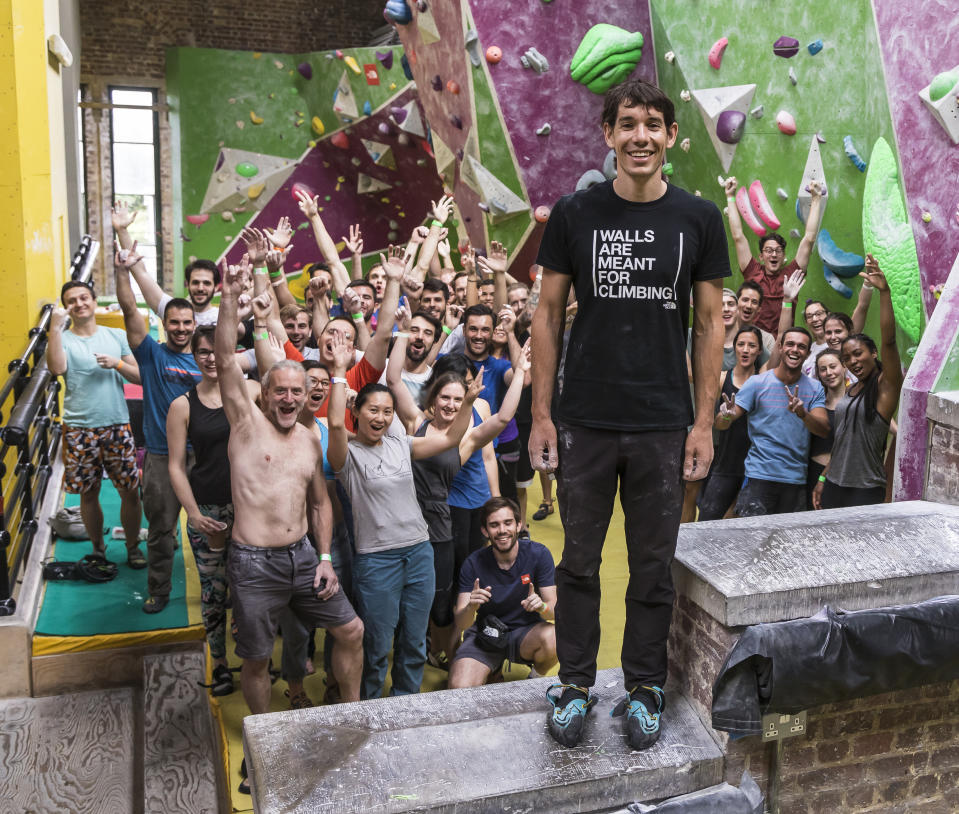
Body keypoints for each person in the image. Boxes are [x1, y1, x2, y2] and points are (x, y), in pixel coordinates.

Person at [530, 79, 728, 750]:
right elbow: (547, 315)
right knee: (578, 563)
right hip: (583, 418)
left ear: (670, 136)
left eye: (652, 124)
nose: (640, 136)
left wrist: (701, 422)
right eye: (627, 124)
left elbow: (707, 325)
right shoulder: (573, 214)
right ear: (608, 135)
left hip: (661, 423)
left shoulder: (697, 219)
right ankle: (575, 686)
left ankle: (643, 688)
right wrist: (541, 413)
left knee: (652, 567)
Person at [214, 259, 364, 730]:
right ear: (264, 394)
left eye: (296, 392)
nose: (288, 399)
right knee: (258, 660)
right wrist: (229, 300)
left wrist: (323, 557)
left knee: (352, 630)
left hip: (303, 558)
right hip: (254, 562)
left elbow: (320, 501)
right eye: (279, 391)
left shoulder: (309, 438)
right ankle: (266, 741)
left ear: (305, 396)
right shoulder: (245, 424)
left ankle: (351, 718)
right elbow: (223, 360)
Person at [326, 329, 482, 699]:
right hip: (377, 561)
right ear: (356, 412)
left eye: (386, 411)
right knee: (378, 645)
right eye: (372, 410)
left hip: (418, 552)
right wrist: (338, 372)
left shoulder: (400, 443)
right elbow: (333, 423)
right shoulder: (346, 456)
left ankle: (405, 707)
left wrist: (468, 402)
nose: (380, 417)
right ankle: (371, 709)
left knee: (413, 643)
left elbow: (447, 439)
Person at [389, 334, 531, 667]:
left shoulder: (463, 440)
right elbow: (394, 379)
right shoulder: (415, 421)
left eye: (458, 399)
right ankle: (411, 648)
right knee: (405, 593)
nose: (451, 405)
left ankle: (444, 651)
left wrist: (521, 373)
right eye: (445, 398)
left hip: (438, 524)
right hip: (404, 521)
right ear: (433, 398)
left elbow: (503, 419)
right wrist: (405, 331)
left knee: (441, 595)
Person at [166, 325, 258, 695]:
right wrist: (193, 513)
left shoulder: (249, 392)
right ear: (194, 356)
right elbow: (175, 465)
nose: (209, 358)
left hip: (248, 506)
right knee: (213, 592)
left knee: (250, 589)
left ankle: (254, 660)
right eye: (201, 352)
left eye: (215, 351)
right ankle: (219, 663)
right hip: (208, 507)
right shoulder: (182, 405)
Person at [115, 243, 202, 613]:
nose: (181, 329)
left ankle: (220, 592)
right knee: (162, 530)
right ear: (164, 324)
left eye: (186, 323)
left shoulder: (207, 361)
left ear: (194, 325)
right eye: (174, 323)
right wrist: (123, 270)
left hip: (204, 458)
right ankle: (160, 589)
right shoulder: (151, 355)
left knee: (211, 527)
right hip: (161, 457)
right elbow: (130, 309)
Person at [46, 278, 144, 567]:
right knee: (89, 494)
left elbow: (138, 376)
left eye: (84, 297)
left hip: (116, 423)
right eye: (72, 300)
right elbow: (57, 368)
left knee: (130, 491)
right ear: (67, 307)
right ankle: (98, 548)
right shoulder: (62, 340)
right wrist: (54, 327)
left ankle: (132, 546)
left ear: (94, 300)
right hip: (79, 427)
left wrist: (117, 364)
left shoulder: (115, 335)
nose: (79, 303)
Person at [814, 256, 902, 509]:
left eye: (858, 353)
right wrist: (822, 477)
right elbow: (842, 442)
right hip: (833, 483)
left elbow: (890, 341)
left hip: (865, 489)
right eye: (846, 358)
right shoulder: (851, 389)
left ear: (873, 353)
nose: (852, 361)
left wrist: (884, 292)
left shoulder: (886, 386)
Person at [717, 327, 830, 516]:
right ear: (780, 347)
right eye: (790, 344)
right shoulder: (757, 383)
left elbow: (824, 429)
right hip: (759, 477)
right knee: (752, 538)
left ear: (808, 353)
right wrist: (726, 414)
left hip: (795, 480)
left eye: (801, 347)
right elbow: (721, 423)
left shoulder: (814, 387)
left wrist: (803, 413)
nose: (795, 349)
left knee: (787, 544)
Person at [449, 497, 557, 688]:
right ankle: (492, 668)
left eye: (508, 523)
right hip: (485, 635)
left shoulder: (539, 554)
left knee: (556, 638)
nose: (502, 530)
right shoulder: (473, 563)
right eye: (494, 525)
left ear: (518, 525)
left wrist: (541, 606)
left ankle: (533, 682)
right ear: (484, 530)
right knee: (459, 689)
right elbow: (462, 622)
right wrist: (471, 607)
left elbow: (555, 610)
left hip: (525, 633)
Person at [723, 176, 823, 336]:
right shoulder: (752, 272)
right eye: (768, 251)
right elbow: (738, 236)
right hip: (752, 341)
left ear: (784, 256)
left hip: (782, 344)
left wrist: (816, 198)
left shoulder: (793, 275)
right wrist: (730, 197)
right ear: (761, 256)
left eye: (778, 251)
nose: (773, 254)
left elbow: (809, 238)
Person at [113, 201, 222, 327]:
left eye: (207, 283)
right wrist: (122, 231)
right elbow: (139, 271)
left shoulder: (223, 318)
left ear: (216, 287)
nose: (200, 288)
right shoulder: (170, 309)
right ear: (188, 284)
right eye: (195, 282)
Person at [696, 326, 764, 520]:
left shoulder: (763, 380)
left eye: (752, 345)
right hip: (726, 463)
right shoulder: (722, 378)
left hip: (755, 466)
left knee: (741, 525)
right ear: (734, 348)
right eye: (741, 344)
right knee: (707, 520)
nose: (746, 349)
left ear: (759, 351)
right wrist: (726, 414)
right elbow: (719, 424)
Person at [806, 348, 845, 508]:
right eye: (823, 369)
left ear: (844, 366)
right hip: (813, 472)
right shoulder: (815, 402)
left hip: (842, 474)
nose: (829, 372)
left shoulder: (855, 402)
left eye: (833, 366)